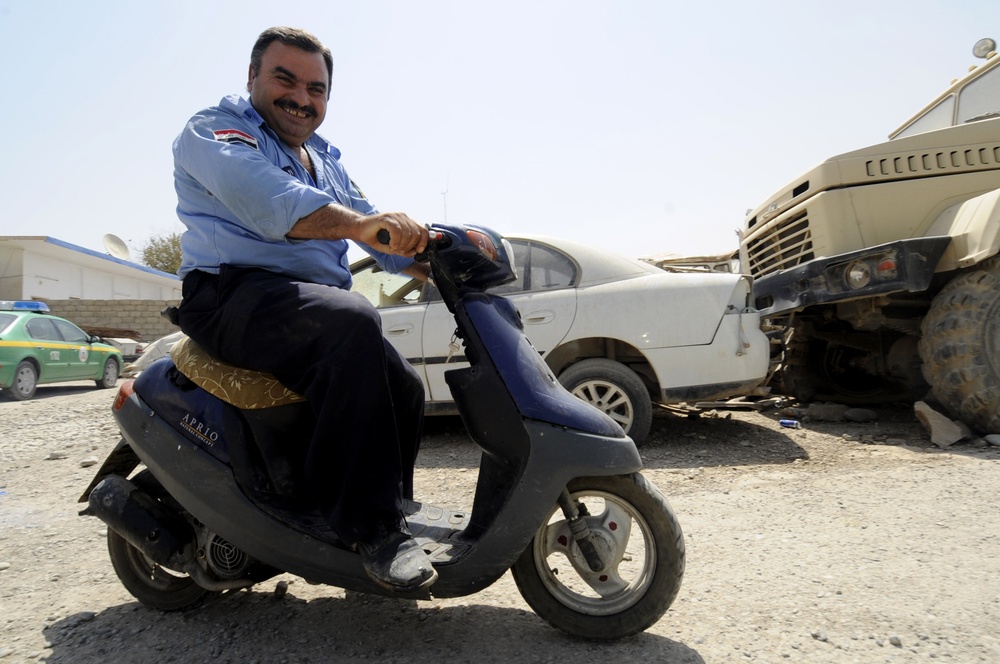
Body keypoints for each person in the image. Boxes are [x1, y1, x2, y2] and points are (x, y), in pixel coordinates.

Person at [172, 26, 437, 592]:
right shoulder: (218, 132)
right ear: (252, 78)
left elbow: (370, 223)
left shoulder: (321, 156)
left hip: (298, 305)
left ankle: (385, 506)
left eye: (316, 88)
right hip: (230, 294)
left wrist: (434, 257)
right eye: (284, 79)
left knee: (405, 386)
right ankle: (374, 533)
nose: (301, 97)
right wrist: (364, 226)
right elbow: (269, 198)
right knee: (353, 323)